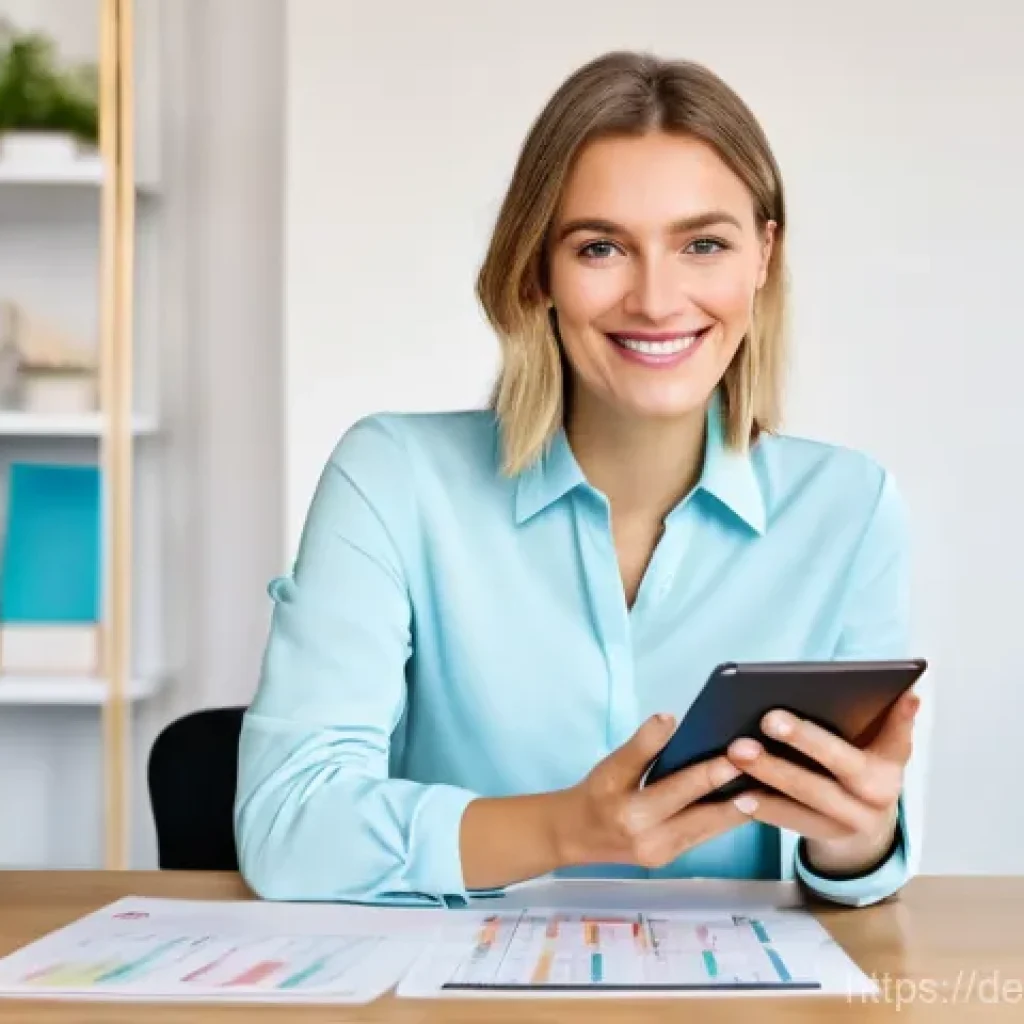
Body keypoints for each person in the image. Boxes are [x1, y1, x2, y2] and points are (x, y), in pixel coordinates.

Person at [234, 51, 923, 908]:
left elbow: (857, 876)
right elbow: (288, 826)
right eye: (601, 247)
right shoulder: (394, 480)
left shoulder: (849, 510)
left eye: (703, 243)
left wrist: (858, 839)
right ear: (539, 270)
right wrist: (567, 830)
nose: (657, 299)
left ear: (763, 256)